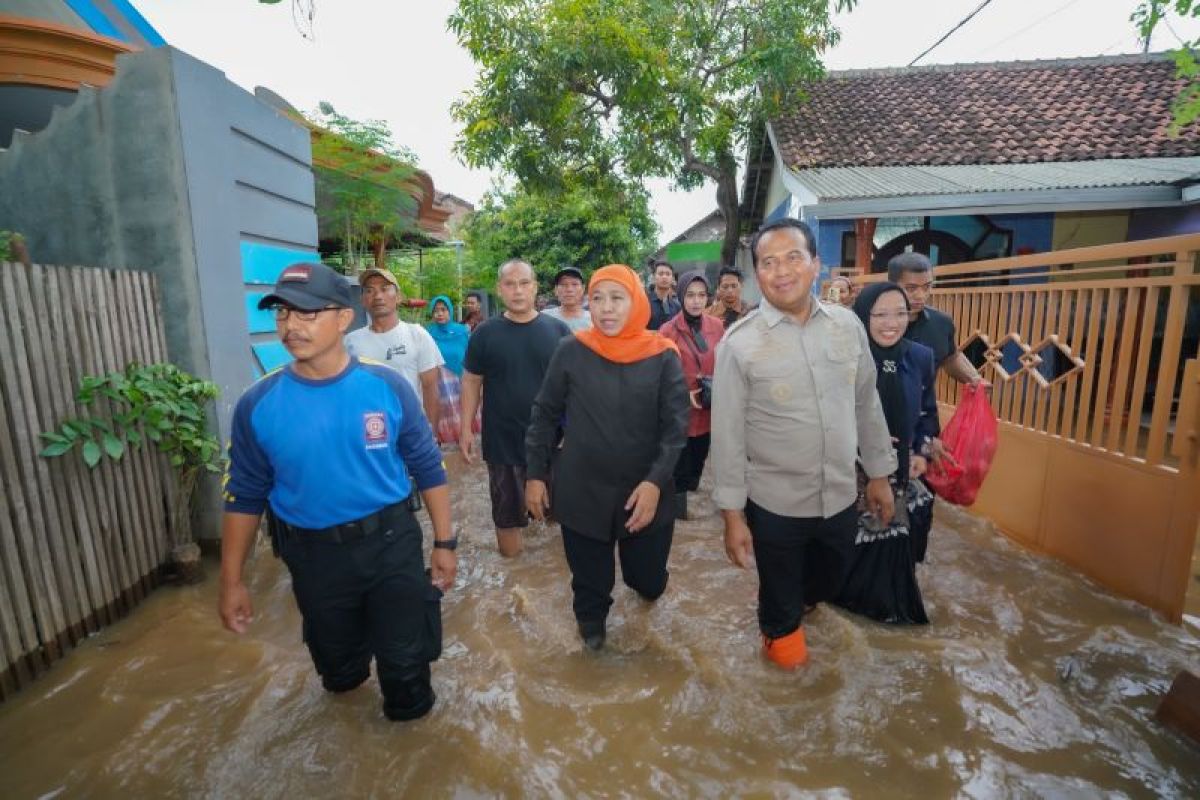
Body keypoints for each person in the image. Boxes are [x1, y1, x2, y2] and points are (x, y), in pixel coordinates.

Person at [218, 261, 457, 722]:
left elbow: (427, 465)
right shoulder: (258, 404)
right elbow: (244, 496)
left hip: (391, 546)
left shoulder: (384, 386)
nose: (291, 325)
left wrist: (445, 543)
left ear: (343, 318)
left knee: (406, 673)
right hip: (313, 557)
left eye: (307, 313)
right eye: (283, 313)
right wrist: (231, 582)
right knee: (340, 676)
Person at [711, 218, 896, 670]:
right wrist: (733, 518)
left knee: (826, 583)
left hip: (838, 496)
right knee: (784, 622)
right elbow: (728, 436)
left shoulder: (848, 327)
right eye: (768, 262)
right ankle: (781, 651)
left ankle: (797, 601)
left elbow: (866, 403)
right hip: (774, 505)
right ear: (758, 274)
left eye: (793, 257)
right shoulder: (739, 344)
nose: (782, 270)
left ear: (816, 264)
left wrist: (878, 475)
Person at [525, 264, 689, 650]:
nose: (606, 308)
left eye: (617, 298)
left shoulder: (663, 355)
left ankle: (646, 595)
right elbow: (544, 414)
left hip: (645, 490)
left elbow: (675, 429)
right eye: (597, 298)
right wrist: (535, 475)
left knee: (647, 583)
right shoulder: (572, 350)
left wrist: (655, 483)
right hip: (583, 489)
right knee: (590, 592)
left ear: (636, 302)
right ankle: (593, 657)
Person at [830, 281, 939, 625]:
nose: (891, 323)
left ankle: (883, 619)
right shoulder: (843, 360)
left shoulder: (920, 357)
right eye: (880, 315)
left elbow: (927, 413)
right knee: (850, 545)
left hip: (901, 469)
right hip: (851, 469)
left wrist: (923, 448)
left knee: (894, 540)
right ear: (863, 316)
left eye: (900, 314)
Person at [460, 259, 571, 557]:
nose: (518, 290)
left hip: (553, 441)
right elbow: (471, 381)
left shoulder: (559, 331)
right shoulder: (484, 333)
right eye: (510, 284)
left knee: (561, 516)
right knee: (507, 516)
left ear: (535, 287)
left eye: (524, 283)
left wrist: (575, 432)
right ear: (499, 290)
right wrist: (465, 429)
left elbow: (574, 387)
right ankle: (515, 578)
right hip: (503, 441)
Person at [888, 251, 987, 562]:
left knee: (920, 504)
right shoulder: (870, 321)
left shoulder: (940, 324)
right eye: (911, 288)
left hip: (922, 430)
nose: (920, 295)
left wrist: (974, 378)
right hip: (878, 428)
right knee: (877, 507)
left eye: (926, 287)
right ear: (892, 286)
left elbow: (949, 356)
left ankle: (912, 567)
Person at [659, 270, 725, 521]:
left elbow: (726, 363)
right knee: (679, 472)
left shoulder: (717, 326)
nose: (696, 301)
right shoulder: (667, 330)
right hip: (679, 414)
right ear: (681, 296)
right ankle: (679, 522)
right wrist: (684, 394)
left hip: (708, 412)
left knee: (698, 464)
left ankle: (693, 513)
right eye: (690, 295)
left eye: (701, 295)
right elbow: (659, 375)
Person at [345, 268, 443, 432]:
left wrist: (430, 433)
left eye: (384, 289)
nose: (377, 296)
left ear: (398, 297)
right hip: (366, 431)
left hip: (410, 429)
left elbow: (430, 388)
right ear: (363, 300)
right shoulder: (350, 341)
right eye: (370, 291)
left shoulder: (417, 334)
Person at [425, 295, 472, 445]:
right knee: (442, 415)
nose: (439, 314)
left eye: (443, 310)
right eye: (436, 310)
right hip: (439, 384)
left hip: (461, 381)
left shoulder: (462, 332)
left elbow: (470, 354)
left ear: (449, 311)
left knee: (461, 413)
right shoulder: (427, 334)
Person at [542, 266, 592, 332]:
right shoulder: (544, 318)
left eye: (575, 284)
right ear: (556, 290)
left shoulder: (594, 321)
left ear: (583, 289)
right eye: (563, 284)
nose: (569, 289)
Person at [646, 259, 681, 329]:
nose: (664, 277)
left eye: (668, 274)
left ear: (672, 279)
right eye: (660, 274)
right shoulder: (644, 302)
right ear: (653, 277)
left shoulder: (677, 306)